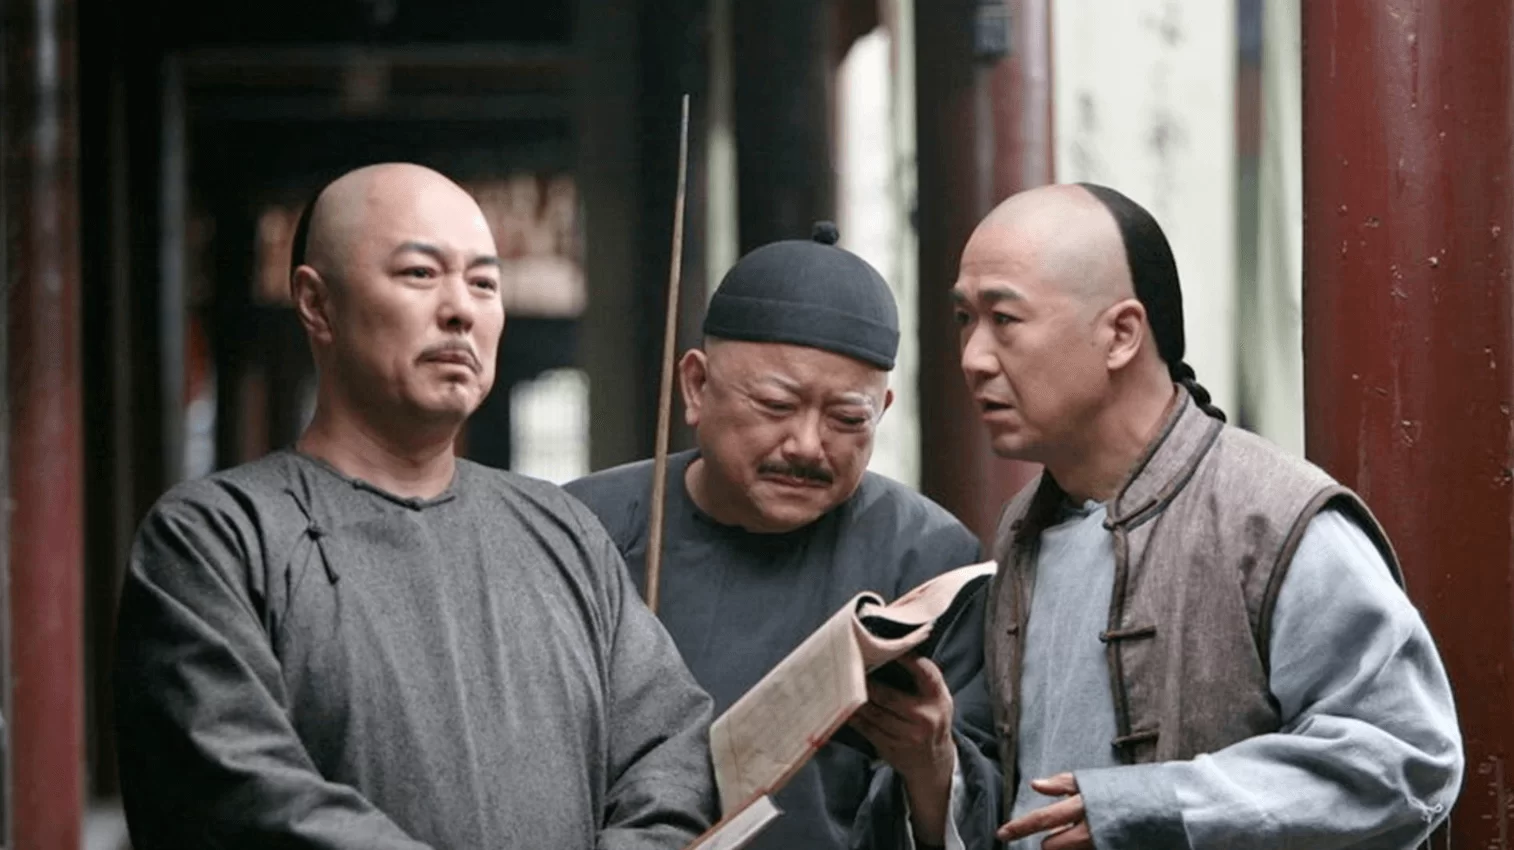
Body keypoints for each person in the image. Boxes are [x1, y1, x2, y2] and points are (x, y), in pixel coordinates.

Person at [113, 163, 717, 850]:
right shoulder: (216, 540)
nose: (461, 309)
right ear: (316, 303)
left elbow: (669, 752)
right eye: (420, 273)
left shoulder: (562, 531)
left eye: (484, 283)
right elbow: (240, 799)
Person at [870, 181, 1465, 849]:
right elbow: (1016, 803)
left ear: (1122, 334)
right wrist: (930, 758)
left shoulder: (1269, 517)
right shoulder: (1022, 527)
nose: (973, 358)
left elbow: (1407, 756)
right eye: (963, 319)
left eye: (1004, 320)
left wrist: (1153, 805)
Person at [563, 223, 993, 850]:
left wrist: (931, 761)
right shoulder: (582, 527)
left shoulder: (927, 555)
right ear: (696, 386)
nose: (808, 446)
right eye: (775, 405)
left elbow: (977, 812)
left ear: (881, 412)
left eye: (847, 418)